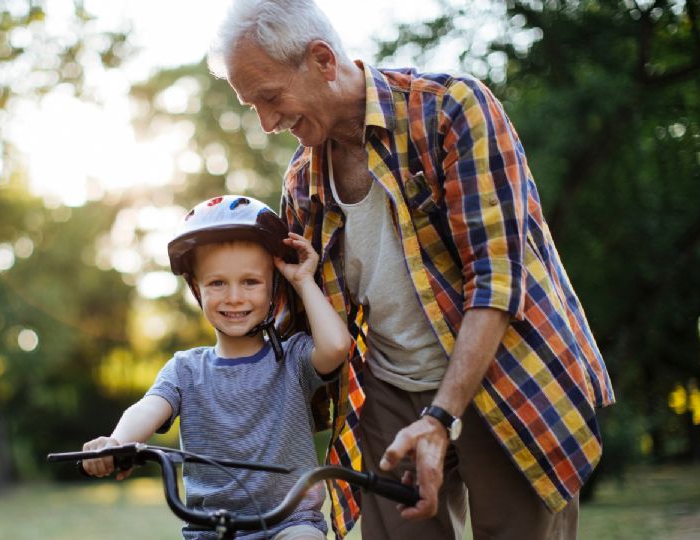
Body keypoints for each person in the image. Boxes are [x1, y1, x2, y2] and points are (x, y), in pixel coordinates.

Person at [208, 1, 616, 539]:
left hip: (504, 370)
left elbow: (498, 279)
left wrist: (442, 418)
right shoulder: (303, 181)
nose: (265, 123)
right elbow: (301, 325)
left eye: (269, 97)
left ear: (323, 61)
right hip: (387, 387)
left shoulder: (450, 109)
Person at [81, 195, 352, 540]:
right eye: (217, 283)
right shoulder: (185, 370)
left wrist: (302, 281)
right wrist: (116, 442)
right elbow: (147, 408)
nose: (234, 297)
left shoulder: (293, 358)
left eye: (250, 282)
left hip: (289, 523)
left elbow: (337, 347)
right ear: (197, 289)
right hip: (210, 528)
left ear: (273, 287)